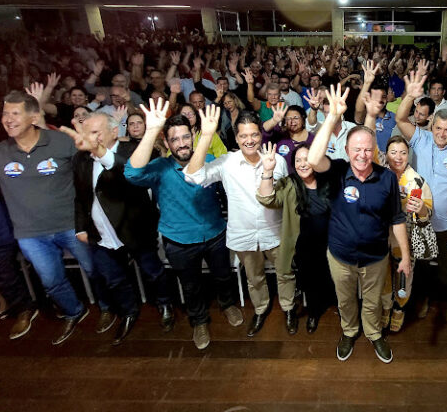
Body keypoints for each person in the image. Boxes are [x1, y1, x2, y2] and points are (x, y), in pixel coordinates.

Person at [0, 90, 110, 345]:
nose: (7, 119)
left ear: (33, 116)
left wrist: (94, 148)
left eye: (15, 113)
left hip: (72, 225)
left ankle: (108, 308)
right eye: (5, 114)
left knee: (96, 270)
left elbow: (98, 166)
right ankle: (74, 311)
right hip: (30, 234)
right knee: (51, 281)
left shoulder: (60, 142)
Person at [124, 99, 243, 350]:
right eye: (175, 139)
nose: (181, 144)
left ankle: (227, 305)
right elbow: (132, 174)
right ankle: (199, 321)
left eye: (185, 137)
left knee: (223, 276)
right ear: (167, 143)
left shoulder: (209, 159)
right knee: (191, 286)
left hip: (214, 233)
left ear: (193, 137)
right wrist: (152, 131)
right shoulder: (159, 168)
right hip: (178, 241)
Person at [307, 84, 409, 363]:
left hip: (376, 258)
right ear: (347, 150)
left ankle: (374, 333)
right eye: (356, 149)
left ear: (374, 149)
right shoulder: (338, 170)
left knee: (373, 301)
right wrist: (331, 117)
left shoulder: (387, 178)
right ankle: (349, 331)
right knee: (346, 300)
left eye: (367, 149)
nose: (362, 155)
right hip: (340, 256)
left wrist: (406, 256)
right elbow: (314, 159)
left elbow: (397, 218)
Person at [184, 107, 297, 337]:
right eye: (243, 136)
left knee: (285, 273)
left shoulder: (277, 161)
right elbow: (192, 176)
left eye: (254, 134)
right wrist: (205, 136)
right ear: (236, 138)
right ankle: (261, 309)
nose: (250, 140)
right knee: (254, 278)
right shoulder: (227, 162)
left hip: (274, 232)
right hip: (243, 234)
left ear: (261, 135)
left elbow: (286, 200)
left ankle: (289, 308)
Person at [66, 112, 175, 345]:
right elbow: (80, 197)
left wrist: (102, 154)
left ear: (114, 131)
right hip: (100, 233)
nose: (89, 138)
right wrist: (80, 228)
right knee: (113, 278)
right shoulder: (80, 159)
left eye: (95, 132)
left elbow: (129, 175)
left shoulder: (133, 151)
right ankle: (128, 311)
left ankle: (165, 304)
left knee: (152, 272)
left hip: (135, 228)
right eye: (86, 133)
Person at [396, 71, 447, 325]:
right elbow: (400, 118)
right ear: (432, 126)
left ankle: (446, 304)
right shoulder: (420, 139)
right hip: (419, 221)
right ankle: (422, 300)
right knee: (419, 266)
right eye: (438, 128)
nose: (442, 134)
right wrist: (410, 96)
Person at [362, 92, 434, 333]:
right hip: (379, 238)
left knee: (404, 277)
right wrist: (371, 115)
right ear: (386, 154)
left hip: (405, 242)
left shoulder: (416, 181)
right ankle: (384, 308)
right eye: (393, 152)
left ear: (408, 155)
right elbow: (369, 143)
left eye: (403, 152)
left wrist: (421, 208)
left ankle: (399, 309)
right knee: (382, 279)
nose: (398, 157)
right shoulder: (379, 171)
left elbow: (427, 215)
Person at [256, 144, 336, 334]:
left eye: (306, 159)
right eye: (298, 160)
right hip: (303, 245)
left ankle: (339, 308)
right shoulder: (289, 184)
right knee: (310, 280)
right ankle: (314, 313)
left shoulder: (328, 181)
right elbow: (267, 199)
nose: (302, 164)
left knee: (334, 278)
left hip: (331, 242)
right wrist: (268, 170)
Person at [0, 123, 39, 340]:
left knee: (4, 270)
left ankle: (25, 307)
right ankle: (13, 302)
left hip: (16, 227)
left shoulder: (5, 159)